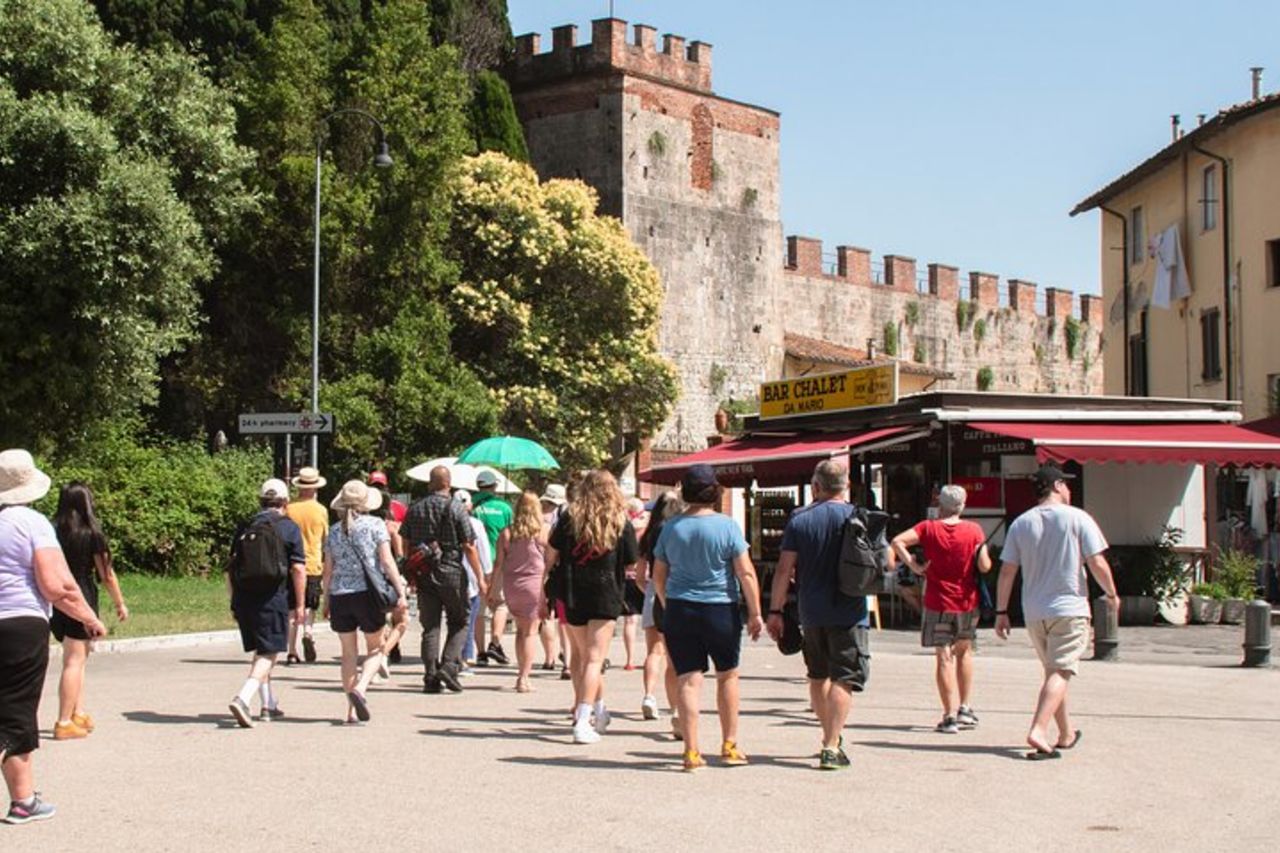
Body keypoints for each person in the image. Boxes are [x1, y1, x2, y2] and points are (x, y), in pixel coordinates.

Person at [0, 449, 105, 824]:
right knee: (16, 712)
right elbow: (56, 585)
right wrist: (90, 618)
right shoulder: (32, 523)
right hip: (20, 625)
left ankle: (24, 796)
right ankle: (23, 801)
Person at [995, 464, 1119, 759]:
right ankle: (1038, 729)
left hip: (1034, 610)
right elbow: (1096, 562)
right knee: (1061, 671)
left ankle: (1065, 733)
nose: (1069, 490)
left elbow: (1007, 571)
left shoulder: (1021, 523)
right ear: (1058, 486)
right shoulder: (1078, 518)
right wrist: (1112, 594)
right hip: (1070, 606)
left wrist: (1001, 610)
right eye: (1066, 485)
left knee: (1054, 671)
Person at [654, 465, 764, 772]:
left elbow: (658, 575)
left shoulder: (671, 528)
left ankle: (691, 751)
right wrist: (755, 612)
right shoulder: (727, 527)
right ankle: (729, 745)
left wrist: (668, 603)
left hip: (680, 607)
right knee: (727, 674)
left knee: (688, 679)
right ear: (714, 492)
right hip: (720, 608)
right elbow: (745, 572)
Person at [765, 459, 868, 771]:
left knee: (818, 675)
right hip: (850, 609)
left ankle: (829, 737)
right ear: (846, 486)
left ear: (816, 487)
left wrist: (775, 610)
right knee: (845, 677)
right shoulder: (858, 516)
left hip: (811, 611)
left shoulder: (799, 520)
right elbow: (884, 560)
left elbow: (784, 570)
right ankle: (831, 743)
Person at [889, 484, 992, 734]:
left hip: (937, 600)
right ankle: (965, 708)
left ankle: (948, 715)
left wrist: (914, 565)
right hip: (967, 601)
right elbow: (985, 566)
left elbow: (897, 541)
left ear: (939, 505)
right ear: (963, 505)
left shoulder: (928, 528)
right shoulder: (974, 531)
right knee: (965, 653)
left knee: (943, 656)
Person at [547, 470, 638, 744]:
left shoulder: (568, 518)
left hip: (573, 591)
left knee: (583, 656)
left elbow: (551, 554)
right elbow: (630, 563)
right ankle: (583, 719)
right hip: (606, 591)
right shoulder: (621, 522)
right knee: (594, 659)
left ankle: (599, 710)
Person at [323, 480, 407, 723]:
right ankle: (360, 688)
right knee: (377, 648)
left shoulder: (335, 530)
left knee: (348, 653)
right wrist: (400, 592)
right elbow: (387, 561)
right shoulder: (375, 525)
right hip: (368, 595)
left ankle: (349, 710)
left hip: (340, 595)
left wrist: (326, 599)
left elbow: (328, 570)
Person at [50, 482, 128, 740]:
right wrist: (119, 603)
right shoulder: (92, 534)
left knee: (79, 657)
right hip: (81, 593)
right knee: (74, 660)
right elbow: (107, 575)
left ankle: (77, 712)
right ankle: (63, 721)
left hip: (58, 594)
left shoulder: (52, 531)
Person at [226, 478, 306, 728]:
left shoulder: (245, 526)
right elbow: (298, 569)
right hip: (272, 598)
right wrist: (301, 604)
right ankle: (243, 697)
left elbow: (229, 568)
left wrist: (233, 602)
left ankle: (268, 704)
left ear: (261, 501)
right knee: (270, 653)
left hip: (244, 597)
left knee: (261, 650)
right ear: (285, 502)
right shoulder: (289, 528)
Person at [401, 466, 485, 694]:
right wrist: (480, 577)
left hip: (424, 573)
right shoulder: (456, 508)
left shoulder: (415, 508)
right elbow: (469, 545)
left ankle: (430, 677)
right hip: (452, 572)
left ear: (430, 484)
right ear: (449, 484)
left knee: (430, 626)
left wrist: (410, 569)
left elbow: (405, 542)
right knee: (460, 620)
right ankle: (449, 665)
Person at [490, 492, 550, 692]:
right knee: (531, 632)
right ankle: (524, 677)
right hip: (535, 585)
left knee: (520, 631)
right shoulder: (543, 532)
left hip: (512, 585)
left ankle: (519, 674)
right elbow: (551, 561)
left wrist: (492, 590)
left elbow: (498, 564)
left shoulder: (507, 533)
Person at [635, 490, 682, 732]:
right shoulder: (678, 531)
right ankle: (676, 709)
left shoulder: (649, 534)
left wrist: (648, 591)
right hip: (674, 590)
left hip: (653, 590)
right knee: (673, 658)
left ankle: (649, 696)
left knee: (653, 651)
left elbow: (640, 575)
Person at [285, 466, 328, 665]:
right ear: (315, 488)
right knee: (310, 606)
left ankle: (292, 651)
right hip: (312, 563)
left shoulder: (289, 509)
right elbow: (325, 538)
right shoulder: (321, 511)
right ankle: (308, 632)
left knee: (293, 609)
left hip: (290, 563)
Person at [472, 470, 512, 667]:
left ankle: (480, 653)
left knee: (479, 610)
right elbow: (510, 536)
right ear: (494, 486)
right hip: (499, 562)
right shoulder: (505, 508)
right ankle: (495, 642)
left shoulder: (471, 506)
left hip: (474, 562)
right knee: (500, 604)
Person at [367, 471, 406, 664]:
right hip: (389, 569)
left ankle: (383, 648)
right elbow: (402, 543)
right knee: (397, 613)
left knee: (382, 613)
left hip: (372, 570)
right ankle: (390, 646)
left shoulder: (362, 512)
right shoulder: (393, 516)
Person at [454, 490, 492, 673]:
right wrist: (486, 574)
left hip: (450, 576)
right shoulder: (476, 524)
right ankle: (465, 657)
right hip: (471, 577)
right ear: (469, 505)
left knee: (455, 619)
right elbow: (483, 551)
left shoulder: (447, 522)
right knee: (469, 618)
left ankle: (454, 656)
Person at [537, 485, 566, 671]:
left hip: (548, 571)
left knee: (547, 616)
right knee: (565, 618)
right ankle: (567, 655)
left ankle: (549, 658)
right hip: (566, 571)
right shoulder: (568, 517)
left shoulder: (541, 520)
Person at [620, 497, 647, 670]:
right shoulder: (647, 530)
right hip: (645, 576)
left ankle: (629, 660)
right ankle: (651, 655)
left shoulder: (623, 529)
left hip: (626, 577)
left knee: (630, 621)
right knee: (650, 622)